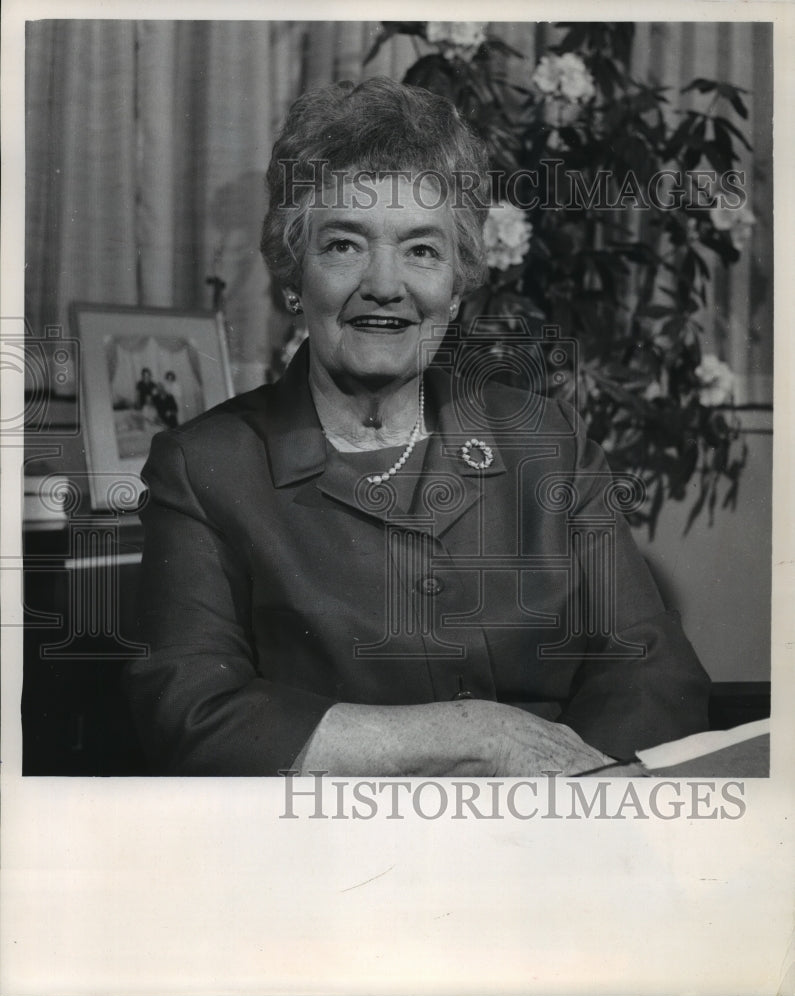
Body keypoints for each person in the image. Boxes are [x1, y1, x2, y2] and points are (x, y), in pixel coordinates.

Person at [125, 77, 710, 777]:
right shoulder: (205, 467)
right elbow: (190, 713)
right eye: (343, 245)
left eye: (421, 250)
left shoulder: (546, 441)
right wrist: (469, 733)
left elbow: (651, 669)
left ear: (457, 287)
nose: (384, 283)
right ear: (291, 277)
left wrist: (568, 798)